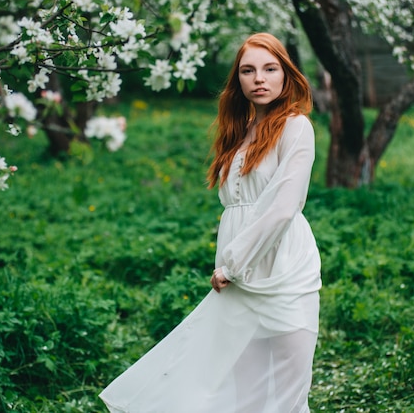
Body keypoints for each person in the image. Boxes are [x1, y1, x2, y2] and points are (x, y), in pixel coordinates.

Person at [100, 32, 322, 413]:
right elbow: (239, 206)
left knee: (288, 390)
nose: (259, 79)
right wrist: (232, 264)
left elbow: (285, 204)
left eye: (270, 69)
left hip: (282, 269)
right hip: (237, 270)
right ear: (238, 80)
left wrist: (233, 263)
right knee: (241, 386)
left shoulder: (296, 127)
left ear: (286, 74)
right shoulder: (240, 133)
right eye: (248, 71)